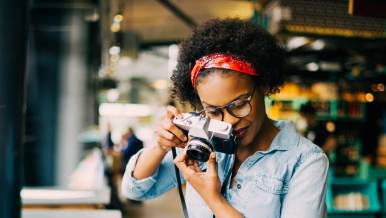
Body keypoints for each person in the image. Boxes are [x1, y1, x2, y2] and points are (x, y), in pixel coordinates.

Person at [121, 18, 329, 218]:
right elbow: (135, 191)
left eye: (238, 105)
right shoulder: (202, 140)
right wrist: (160, 146)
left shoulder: (305, 161)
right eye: (212, 111)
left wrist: (214, 199)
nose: (228, 122)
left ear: (264, 85)